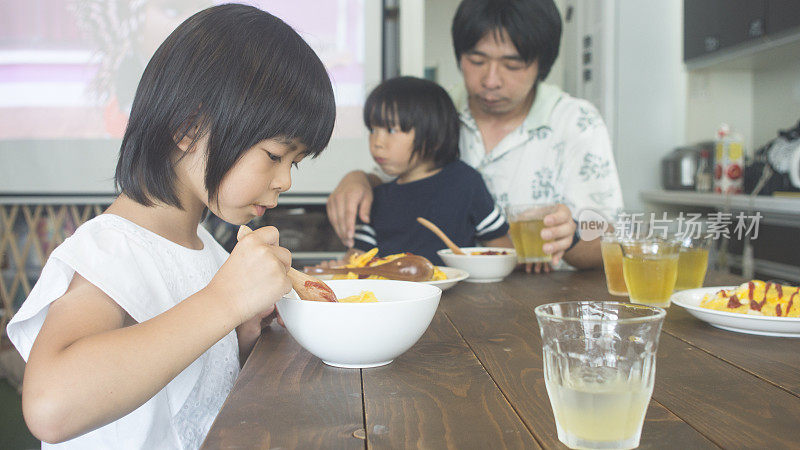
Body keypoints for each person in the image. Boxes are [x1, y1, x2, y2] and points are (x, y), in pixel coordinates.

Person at [6, 4, 335, 448]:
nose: (285, 181)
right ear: (189, 126)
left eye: (295, 163)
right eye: (275, 155)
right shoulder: (111, 249)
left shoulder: (211, 254)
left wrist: (242, 338)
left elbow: (189, 397)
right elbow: (50, 407)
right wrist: (227, 299)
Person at [327, 0, 624, 272]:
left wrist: (571, 234)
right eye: (477, 61)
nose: (491, 80)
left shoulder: (575, 122)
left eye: (512, 64)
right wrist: (359, 178)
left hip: (540, 301)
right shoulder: (438, 112)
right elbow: (397, 180)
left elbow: (612, 240)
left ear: (541, 65)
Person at [348, 76, 510, 266]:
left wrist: (525, 261)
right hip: (398, 295)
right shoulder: (376, 198)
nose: (377, 142)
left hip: (462, 295)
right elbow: (357, 259)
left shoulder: (466, 183)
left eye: (391, 130)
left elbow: (502, 248)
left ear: (433, 136)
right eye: (373, 130)